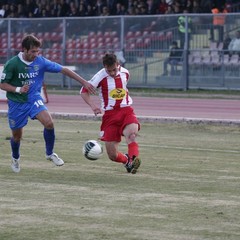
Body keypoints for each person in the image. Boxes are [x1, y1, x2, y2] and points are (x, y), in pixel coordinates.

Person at [0, 34, 95, 173]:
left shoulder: (41, 62)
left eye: (37, 51)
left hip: (34, 99)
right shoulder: (12, 64)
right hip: (17, 103)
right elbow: (2, 84)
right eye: (33, 51)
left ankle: (50, 154)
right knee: (17, 136)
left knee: (49, 123)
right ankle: (15, 158)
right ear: (24, 50)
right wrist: (18, 89)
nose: (36, 54)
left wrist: (84, 82)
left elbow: (64, 70)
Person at [80, 53, 141, 174]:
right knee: (112, 155)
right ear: (104, 67)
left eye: (114, 69)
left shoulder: (125, 73)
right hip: (110, 116)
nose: (112, 73)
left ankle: (133, 162)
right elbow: (83, 91)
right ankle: (127, 161)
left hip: (126, 110)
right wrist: (93, 106)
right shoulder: (100, 76)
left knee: (132, 135)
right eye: (109, 71)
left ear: (118, 64)